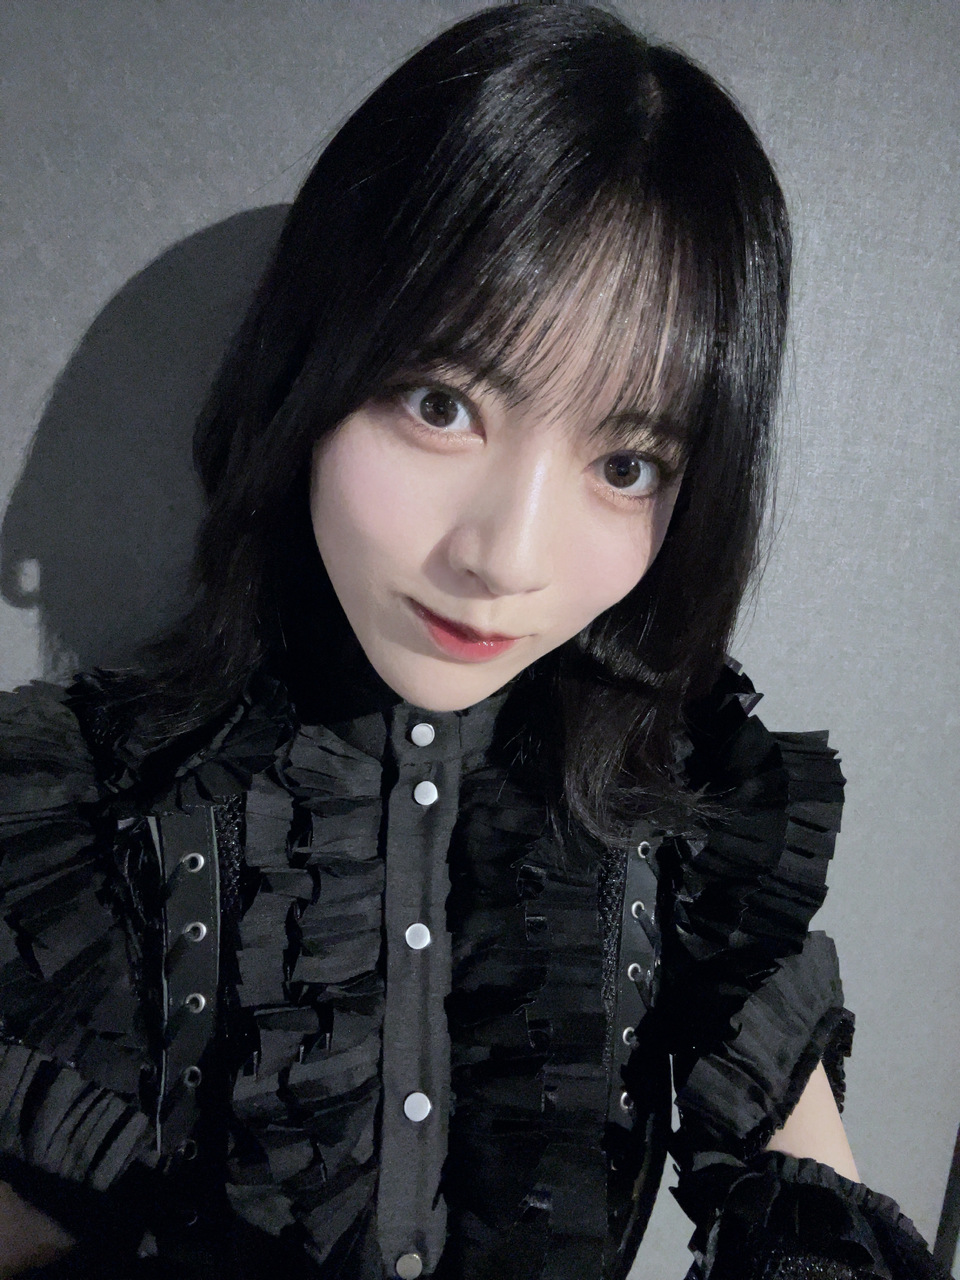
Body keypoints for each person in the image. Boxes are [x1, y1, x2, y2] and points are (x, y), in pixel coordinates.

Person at [0, 4, 947, 1278]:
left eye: (625, 462)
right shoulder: (88, 806)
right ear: (312, 367)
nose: (507, 556)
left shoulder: (687, 808)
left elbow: (806, 1171)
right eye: (441, 403)